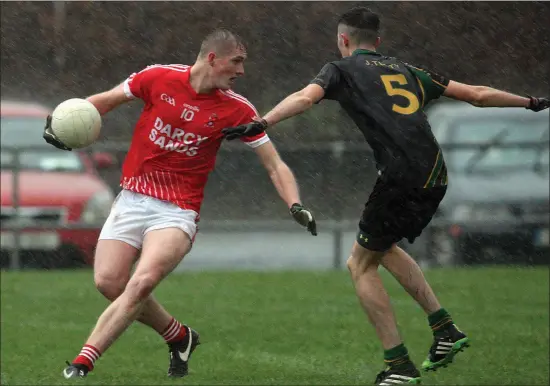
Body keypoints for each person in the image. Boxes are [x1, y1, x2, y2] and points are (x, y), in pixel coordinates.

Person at [221, 7, 550, 385]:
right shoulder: (406, 70)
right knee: (382, 246)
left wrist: (263, 121)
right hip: (436, 173)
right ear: (377, 42)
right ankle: (444, 330)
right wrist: (530, 102)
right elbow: (475, 94)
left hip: (400, 175)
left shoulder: (339, 69)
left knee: (359, 264)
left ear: (343, 40)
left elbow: (304, 98)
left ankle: (399, 366)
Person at [43, 29, 317, 380]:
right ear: (212, 58)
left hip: (177, 211)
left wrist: (295, 204)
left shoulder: (237, 109)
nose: (242, 72)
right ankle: (180, 336)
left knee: (140, 283)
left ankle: (82, 362)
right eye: (237, 62)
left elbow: (274, 163)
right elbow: (105, 101)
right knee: (109, 283)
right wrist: (61, 122)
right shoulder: (157, 77)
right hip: (131, 200)